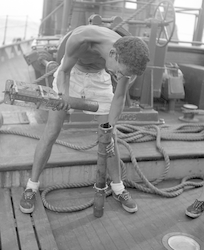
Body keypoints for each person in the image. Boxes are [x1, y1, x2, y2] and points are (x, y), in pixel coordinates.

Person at [19, 25, 150, 214]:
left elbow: (119, 97)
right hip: (72, 74)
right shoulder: (81, 39)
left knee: (109, 137)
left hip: (99, 78)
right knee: (52, 131)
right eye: (121, 73)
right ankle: (31, 186)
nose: (121, 77)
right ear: (112, 54)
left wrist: (110, 126)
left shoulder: (124, 62)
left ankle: (118, 188)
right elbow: (64, 70)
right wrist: (63, 95)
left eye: (124, 75)